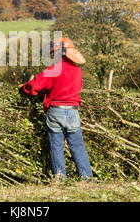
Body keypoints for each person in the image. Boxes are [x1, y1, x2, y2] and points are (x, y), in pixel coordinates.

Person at [19, 38, 93, 180]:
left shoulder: (54, 70)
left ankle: (59, 179)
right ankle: (87, 178)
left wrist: (23, 88)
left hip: (56, 111)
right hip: (72, 111)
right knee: (78, 146)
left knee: (56, 147)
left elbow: (34, 86)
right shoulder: (77, 71)